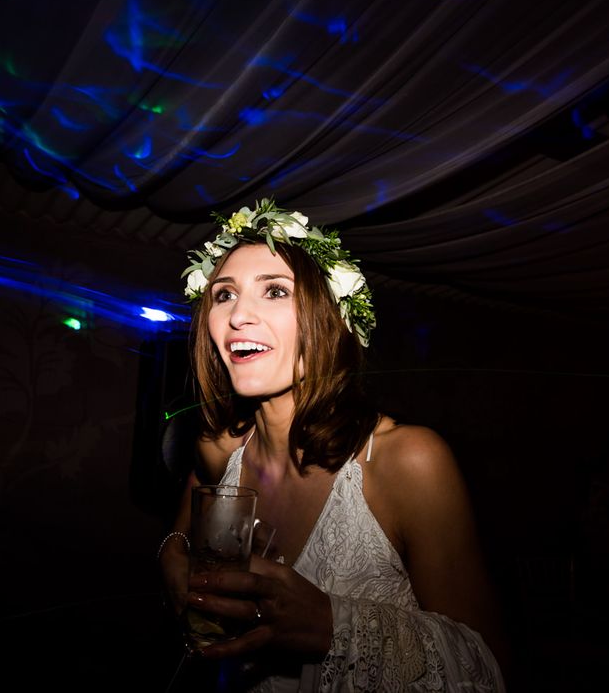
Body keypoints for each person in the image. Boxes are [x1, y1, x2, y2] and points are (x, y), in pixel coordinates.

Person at [158, 198, 508, 692]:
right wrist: (169, 556)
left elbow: (489, 667)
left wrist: (332, 626)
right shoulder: (217, 449)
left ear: (331, 319)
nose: (239, 316)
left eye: (275, 291)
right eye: (223, 295)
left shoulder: (408, 461)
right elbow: (181, 538)